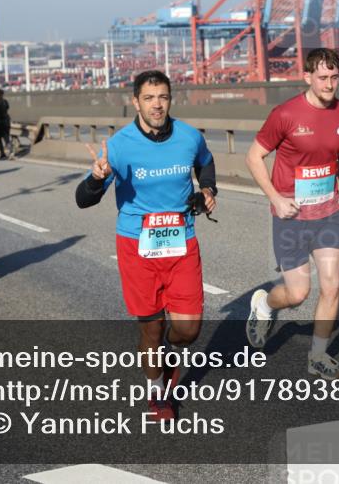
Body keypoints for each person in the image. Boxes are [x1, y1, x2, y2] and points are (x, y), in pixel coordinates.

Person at [75, 70, 217, 422]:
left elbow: (206, 162)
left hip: (182, 243)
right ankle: (157, 394)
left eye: (163, 97)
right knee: (150, 329)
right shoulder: (119, 146)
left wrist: (209, 191)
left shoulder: (188, 136)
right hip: (138, 249)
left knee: (188, 330)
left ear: (171, 99)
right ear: (136, 102)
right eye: (149, 98)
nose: (157, 105)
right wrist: (96, 178)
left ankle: (169, 354)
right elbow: (83, 200)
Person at [244, 48, 339, 380]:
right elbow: (253, 157)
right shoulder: (286, 114)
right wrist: (276, 198)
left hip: (328, 213)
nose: (329, 84)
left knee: (333, 286)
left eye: (334, 77)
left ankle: (318, 356)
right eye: (322, 77)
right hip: (291, 216)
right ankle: (265, 305)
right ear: (307, 77)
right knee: (297, 294)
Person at [0, 88, 12, 160]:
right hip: (7, 121)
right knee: (6, 137)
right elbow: (7, 108)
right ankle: (10, 149)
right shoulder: (5, 101)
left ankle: (2, 153)